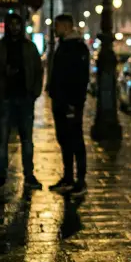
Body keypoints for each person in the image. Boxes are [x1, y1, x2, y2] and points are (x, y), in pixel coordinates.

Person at [0, 13, 44, 190]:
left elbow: (38, 70)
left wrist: (34, 93)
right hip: (5, 97)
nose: (15, 27)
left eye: (18, 24)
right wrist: (4, 71)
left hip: (25, 97)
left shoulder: (29, 47)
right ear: (6, 26)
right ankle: (1, 175)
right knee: (2, 138)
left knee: (26, 139)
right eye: (12, 24)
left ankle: (29, 174)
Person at [46, 14, 91, 196]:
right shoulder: (64, 45)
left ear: (65, 26)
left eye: (56, 26)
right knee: (64, 140)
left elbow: (81, 78)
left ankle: (80, 181)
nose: (54, 30)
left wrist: (74, 102)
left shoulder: (77, 48)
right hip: (60, 101)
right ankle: (68, 178)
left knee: (75, 141)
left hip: (70, 103)